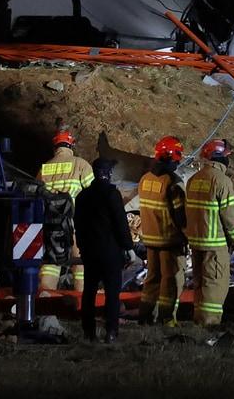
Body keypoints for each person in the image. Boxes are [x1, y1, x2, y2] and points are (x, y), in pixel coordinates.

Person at [184, 138, 234, 327]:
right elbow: (230, 216)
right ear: (219, 157)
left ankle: (199, 320)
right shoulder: (221, 180)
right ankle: (210, 324)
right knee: (214, 284)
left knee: (200, 284)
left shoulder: (194, 179)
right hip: (215, 244)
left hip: (196, 242)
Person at [74, 157, 134, 343]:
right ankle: (111, 332)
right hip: (110, 253)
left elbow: (78, 225)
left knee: (89, 292)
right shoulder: (111, 194)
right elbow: (120, 223)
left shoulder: (82, 196)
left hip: (90, 252)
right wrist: (128, 247)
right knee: (112, 294)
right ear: (108, 174)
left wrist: (83, 248)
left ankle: (88, 332)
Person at [138, 135, 188, 326]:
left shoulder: (145, 180)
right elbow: (181, 216)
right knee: (170, 280)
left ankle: (144, 316)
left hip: (150, 240)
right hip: (170, 241)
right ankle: (166, 318)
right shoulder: (173, 182)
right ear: (174, 156)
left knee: (152, 279)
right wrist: (187, 237)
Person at [37, 128, 95, 292]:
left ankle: (46, 298)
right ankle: (82, 299)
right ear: (71, 145)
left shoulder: (45, 168)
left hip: (51, 225)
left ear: (55, 147)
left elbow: (37, 196)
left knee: (51, 264)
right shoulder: (81, 164)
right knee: (80, 264)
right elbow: (94, 193)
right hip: (76, 224)